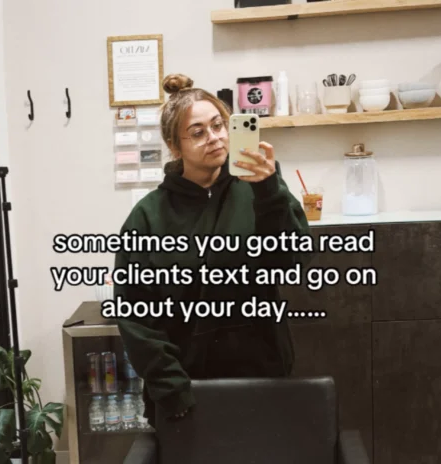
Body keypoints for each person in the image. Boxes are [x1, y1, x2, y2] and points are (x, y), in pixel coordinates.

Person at [114, 73, 312, 427]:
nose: (215, 137)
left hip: (262, 378)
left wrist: (269, 194)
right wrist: (170, 386)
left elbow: (293, 261)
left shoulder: (260, 188)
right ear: (175, 146)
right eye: (198, 132)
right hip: (185, 389)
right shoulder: (148, 216)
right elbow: (135, 313)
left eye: (219, 125)